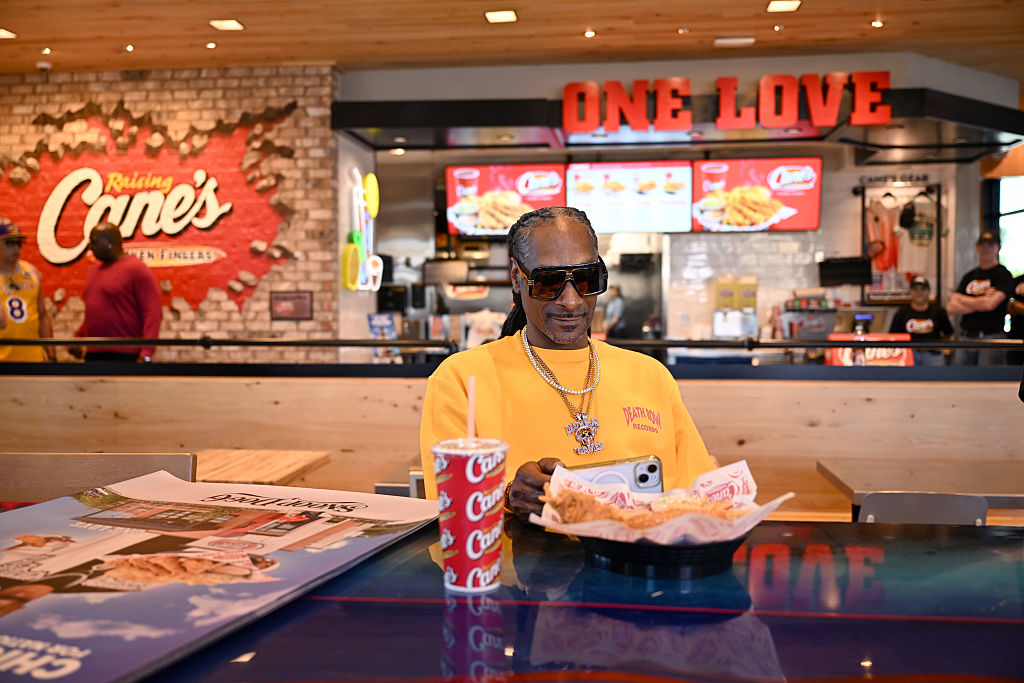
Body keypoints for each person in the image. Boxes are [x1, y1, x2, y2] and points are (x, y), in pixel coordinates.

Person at [419, 207, 714, 520]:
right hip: (518, 566)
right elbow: (450, 510)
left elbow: (698, 498)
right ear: (517, 279)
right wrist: (507, 497)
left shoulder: (651, 376)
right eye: (549, 282)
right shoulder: (462, 380)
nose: (571, 300)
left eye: (586, 279)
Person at [70, 222, 162, 362]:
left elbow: (152, 313)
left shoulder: (137, 270)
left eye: (94, 242)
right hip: (94, 353)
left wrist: (147, 354)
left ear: (109, 243)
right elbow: (97, 312)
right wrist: (79, 338)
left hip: (125, 355)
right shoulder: (94, 271)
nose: (90, 247)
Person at [947, 231, 1014, 365]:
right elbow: (951, 307)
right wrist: (981, 302)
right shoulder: (969, 276)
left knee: (988, 381)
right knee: (960, 380)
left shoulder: (1003, 274)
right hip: (966, 336)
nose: (986, 248)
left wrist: (963, 299)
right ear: (977, 247)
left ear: (998, 247)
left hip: (991, 337)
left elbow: (990, 305)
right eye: (982, 245)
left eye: (990, 245)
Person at [0, 218, 54, 362]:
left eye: (18, 243)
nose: (16, 249)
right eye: (9, 244)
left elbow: (42, 315)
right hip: (3, 360)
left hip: (32, 358)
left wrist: (51, 354)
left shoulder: (31, 272)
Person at [888, 275, 953, 366]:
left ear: (929, 292)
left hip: (933, 354)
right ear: (910, 292)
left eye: (923, 289)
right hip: (908, 355)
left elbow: (948, 332)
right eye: (915, 289)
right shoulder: (901, 313)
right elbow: (893, 336)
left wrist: (939, 346)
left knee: (936, 379)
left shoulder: (939, 311)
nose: (919, 292)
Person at [1006, 274, 1024, 366]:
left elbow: (1012, 304)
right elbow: (1008, 306)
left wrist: (1016, 305)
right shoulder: (1017, 280)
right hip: (1015, 338)